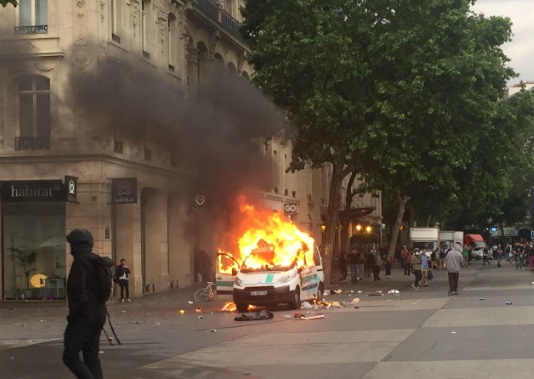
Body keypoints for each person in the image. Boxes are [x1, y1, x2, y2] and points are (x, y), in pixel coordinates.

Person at [63, 229, 106, 379]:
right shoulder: (95, 260)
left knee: (70, 356)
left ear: (77, 245)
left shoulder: (80, 262)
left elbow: (77, 292)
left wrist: (73, 316)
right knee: (92, 358)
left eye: (71, 245)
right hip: (99, 313)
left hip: (84, 315)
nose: (70, 249)